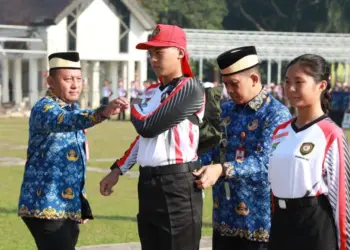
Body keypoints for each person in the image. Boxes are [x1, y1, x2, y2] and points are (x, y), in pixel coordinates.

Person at [100, 24, 205, 250]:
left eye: (159, 52)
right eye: (151, 54)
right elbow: (143, 139)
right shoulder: (151, 92)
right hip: (148, 184)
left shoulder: (191, 87)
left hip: (178, 184)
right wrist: (117, 170)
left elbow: (147, 126)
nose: (153, 59)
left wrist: (135, 105)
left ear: (180, 52)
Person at [18, 52, 128, 250]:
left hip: (67, 207)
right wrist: (102, 112)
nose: (75, 85)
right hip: (45, 206)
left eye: (78, 79)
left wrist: (80, 203)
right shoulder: (45, 108)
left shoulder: (72, 108)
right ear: (50, 81)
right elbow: (65, 121)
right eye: (68, 79)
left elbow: (75, 162)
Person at [195, 46, 291, 250]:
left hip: (259, 226)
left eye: (234, 84)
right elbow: (211, 149)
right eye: (226, 84)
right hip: (223, 219)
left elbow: (265, 162)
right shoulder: (226, 110)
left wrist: (222, 169)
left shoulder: (276, 114)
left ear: (254, 79)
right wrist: (188, 166)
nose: (229, 90)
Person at [268, 54, 350, 250]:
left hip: (313, 225)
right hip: (280, 224)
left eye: (299, 82)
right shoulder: (280, 132)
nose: (291, 89)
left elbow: (341, 200)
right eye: (287, 82)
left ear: (321, 86)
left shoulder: (331, 133)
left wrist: (345, 244)